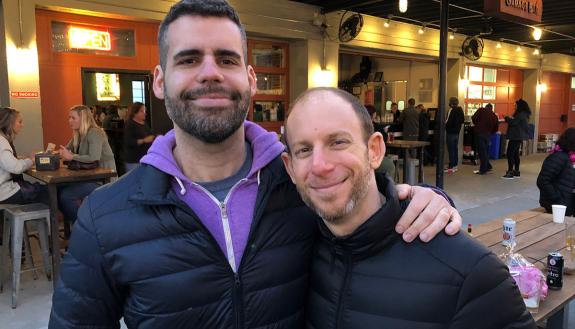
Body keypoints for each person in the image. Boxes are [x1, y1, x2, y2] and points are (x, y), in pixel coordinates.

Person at [49, 1, 462, 328]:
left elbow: (371, 207)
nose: (211, 74)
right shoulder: (106, 218)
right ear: (159, 80)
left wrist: (429, 200)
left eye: (226, 60)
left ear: (249, 77)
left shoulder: (303, 179)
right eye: (189, 59)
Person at [281, 87, 536, 329]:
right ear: (289, 168)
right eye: (303, 150)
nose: (319, 166)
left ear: (374, 151)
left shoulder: (470, 272)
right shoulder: (292, 247)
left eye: (337, 142)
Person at [57, 105, 116, 224]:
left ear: (83, 118)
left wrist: (71, 156)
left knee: (65, 196)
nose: (69, 121)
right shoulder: (78, 134)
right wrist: (53, 153)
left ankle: (82, 226)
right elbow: (66, 150)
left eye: (73, 118)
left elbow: (94, 157)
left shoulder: (95, 132)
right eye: (69, 118)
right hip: (88, 177)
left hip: (103, 180)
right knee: (58, 189)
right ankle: (79, 225)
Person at [0, 107, 47, 205]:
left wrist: (24, 158)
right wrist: (32, 160)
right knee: (49, 193)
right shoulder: (2, 142)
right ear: (10, 124)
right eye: (20, 122)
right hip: (4, 193)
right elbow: (16, 167)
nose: (22, 125)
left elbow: (6, 161)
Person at [537, 127, 575, 216]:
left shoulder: (571, 157)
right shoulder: (558, 157)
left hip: (569, 204)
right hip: (559, 205)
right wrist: (557, 199)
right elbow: (542, 181)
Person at [502, 99, 531, 179]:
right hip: (518, 136)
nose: (514, 106)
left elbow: (513, 123)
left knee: (510, 153)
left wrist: (506, 118)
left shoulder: (520, 114)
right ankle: (516, 171)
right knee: (515, 154)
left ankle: (510, 172)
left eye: (516, 105)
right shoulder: (523, 114)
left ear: (520, 106)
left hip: (516, 136)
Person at [123, 102, 156, 171]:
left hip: (144, 159)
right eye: (142, 111)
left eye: (145, 111)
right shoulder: (130, 125)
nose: (145, 113)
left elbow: (150, 136)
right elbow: (128, 142)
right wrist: (143, 140)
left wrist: (156, 137)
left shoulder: (144, 124)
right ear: (135, 113)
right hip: (134, 161)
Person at [472, 103, 499, 175]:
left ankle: (483, 169)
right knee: (485, 151)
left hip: (479, 133)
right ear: (492, 108)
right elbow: (496, 128)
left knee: (482, 152)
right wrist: (490, 132)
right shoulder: (494, 115)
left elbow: (473, 118)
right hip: (488, 135)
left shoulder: (481, 110)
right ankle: (488, 166)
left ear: (485, 107)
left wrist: (477, 125)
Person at [445, 96, 465, 173]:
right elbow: (462, 120)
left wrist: (445, 125)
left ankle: (451, 166)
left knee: (451, 149)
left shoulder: (451, 110)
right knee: (455, 149)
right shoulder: (460, 110)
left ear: (451, 103)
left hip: (450, 132)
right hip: (457, 132)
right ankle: (455, 165)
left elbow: (448, 121)